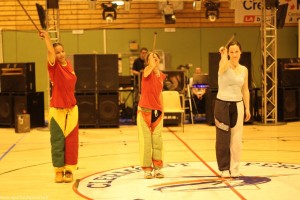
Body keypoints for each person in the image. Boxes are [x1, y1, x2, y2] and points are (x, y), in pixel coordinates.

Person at [39, 30, 79, 183]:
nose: (60, 54)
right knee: (57, 141)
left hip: (72, 110)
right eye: (57, 53)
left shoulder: (68, 65)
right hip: (57, 110)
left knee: (71, 143)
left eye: (62, 51)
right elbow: (49, 51)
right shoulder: (54, 67)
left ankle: (69, 170)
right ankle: (58, 170)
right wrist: (47, 38)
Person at [214, 41, 251, 178]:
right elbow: (223, 64)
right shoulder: (223, 65)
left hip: (238, 105)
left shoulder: (244, 70)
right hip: (222, 104)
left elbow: (245, 90)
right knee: (223, 138)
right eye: (231, 52)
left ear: (240, 52)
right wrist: (223, 55)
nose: (234, 54)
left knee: (236, 138)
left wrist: (247, 108)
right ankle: (224, 168)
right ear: (228, 53)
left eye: (236, 52)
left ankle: (234, 168)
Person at [136, 52, 166, 179]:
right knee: (146, 142)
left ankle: (158, 168)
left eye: (156, 58)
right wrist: (151, 65)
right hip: (144, 111)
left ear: (159, 60)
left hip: (157, 112)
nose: (154, 60)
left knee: (157, 141)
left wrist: (162, 110)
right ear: (147, 61)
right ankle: (147, 169)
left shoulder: (161, 76)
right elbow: (148, 71)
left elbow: (159, 94)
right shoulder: (146, 73)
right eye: (151, 58)